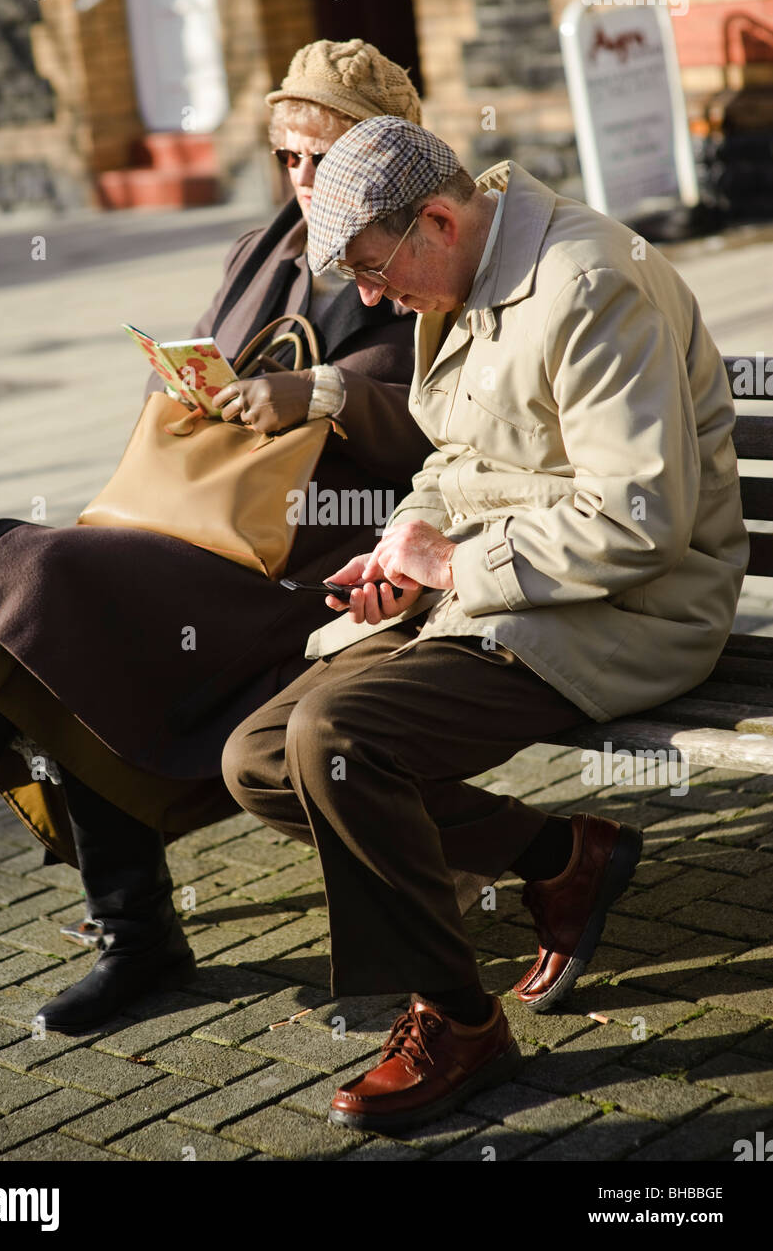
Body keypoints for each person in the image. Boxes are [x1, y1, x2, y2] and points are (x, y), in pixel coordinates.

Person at [221, 115, 750, 1134]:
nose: (372, 298)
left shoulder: (588, 283)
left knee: (335, 740)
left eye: (375, 271)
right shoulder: (458, 273)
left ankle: (459, 1020)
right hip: (497, 592)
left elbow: (641, 518)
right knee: (256, 757)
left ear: (434, 218)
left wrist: (457, 564)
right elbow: (450, 458)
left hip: (628, 606)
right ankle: (559, 856)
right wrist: (406, 545)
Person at [0, 43, 431, 1033]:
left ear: (384, 150)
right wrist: (195, 385)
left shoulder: (425, 240)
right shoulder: (263, 246)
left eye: (326, 156)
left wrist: (319, 393)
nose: (305, 181)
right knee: (65, 597)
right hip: (196, 535)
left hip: (318, 557)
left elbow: (447, 421)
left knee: (53, 577)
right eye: (289, 158)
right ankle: (122, 928)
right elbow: (189, 380)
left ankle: (49, 876)